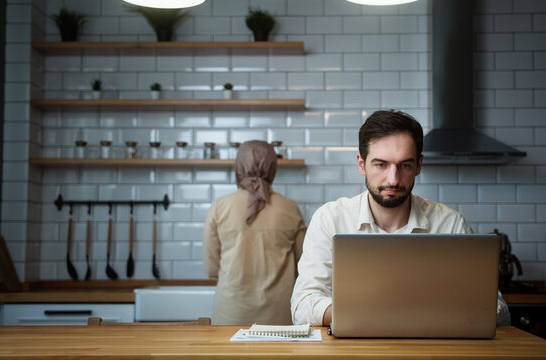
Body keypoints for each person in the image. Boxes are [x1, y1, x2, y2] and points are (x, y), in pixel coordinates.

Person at [290, 110, 510, 327]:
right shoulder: (330, 219)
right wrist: (373, 314)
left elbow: (498, 311)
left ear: (419, 165)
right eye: (381, 164)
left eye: (404, 165)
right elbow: (302, 306)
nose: (393, 179)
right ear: (361, 164)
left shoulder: (450, 224)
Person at [203, 140, 307, 325]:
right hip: (279, 316)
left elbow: (211, 268)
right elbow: (304, 264)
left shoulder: (219, 207)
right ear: (272, 166)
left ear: (239, 166)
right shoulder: (290, 208)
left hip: (231, 314)